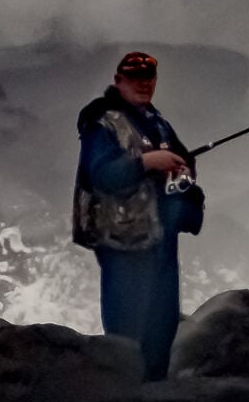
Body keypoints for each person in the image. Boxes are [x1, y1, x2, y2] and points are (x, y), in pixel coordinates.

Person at [73, 50, 202, 379]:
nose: (143, 85)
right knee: (126, 334)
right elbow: (100, 174)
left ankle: (154, 401)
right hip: (124, 243)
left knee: (163, 325)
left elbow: (181, 158)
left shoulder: (158, 122)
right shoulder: (102, 122)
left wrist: (181, 167)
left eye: (148, 79)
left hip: (161, 239)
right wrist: (148, 162)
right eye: (134, 79)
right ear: (118, 82)